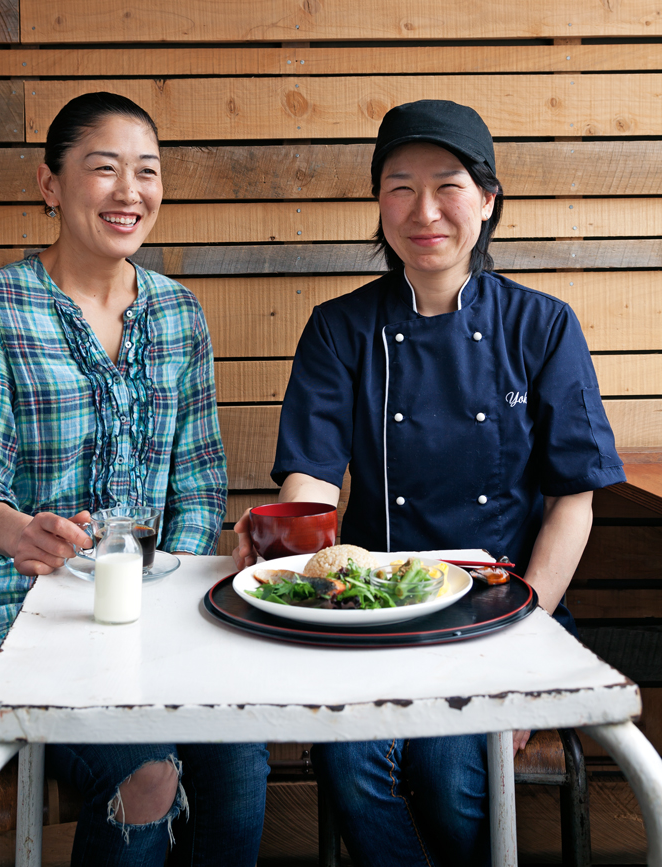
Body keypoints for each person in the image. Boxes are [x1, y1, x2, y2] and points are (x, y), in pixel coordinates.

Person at [233, 99, 625, 866]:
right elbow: (311, 482)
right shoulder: (339, 328)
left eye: (447, 185)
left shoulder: (543, 326)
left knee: (450, 772)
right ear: (379, 204)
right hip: (376, 615)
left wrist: (525, 625)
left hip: (508, 606)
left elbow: (572, 501)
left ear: (486, 199)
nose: (425, 211)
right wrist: (289, 554)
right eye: (399, 187)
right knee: (347, 759)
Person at [0, 91, 269, 867]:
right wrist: (17, 529)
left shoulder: (181, 316)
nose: (130, 192)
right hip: (20, 624)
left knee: (241, 759)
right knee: (145, 770)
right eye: (105, 169)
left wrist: (170, 597)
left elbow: (200, 487)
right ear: (51, 185)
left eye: (146, 172)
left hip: (159, 626)